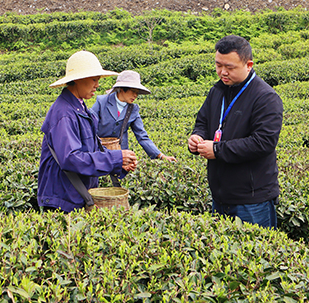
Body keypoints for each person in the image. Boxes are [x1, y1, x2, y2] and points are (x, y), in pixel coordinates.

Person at [188, 35, 283, 228]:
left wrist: (217, 150)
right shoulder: (217, 91)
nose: (222, 72)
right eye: (218, 65)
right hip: (220, 195)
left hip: (252, 199)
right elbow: (203, 121)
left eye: (229, 68)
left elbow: (263, 142)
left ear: (248, 65)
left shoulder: (266, 97)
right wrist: (197, 137)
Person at [38, 50, 138, 212]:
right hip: (62, 200)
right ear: (78, 80)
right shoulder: (64, 113)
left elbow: (91, 151)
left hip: (75, 196)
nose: (97, 85)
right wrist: (115, 159)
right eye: (94, 79)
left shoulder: (81, 109)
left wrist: (119, 164)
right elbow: (71, 159)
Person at [91, 70, 176, 162]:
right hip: (99, 152)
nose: (135, 95)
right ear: (122, 89)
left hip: (121, 154)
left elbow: (142, 136)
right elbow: (89, 126)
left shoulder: (133, 109)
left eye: (137, 92)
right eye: (133, 91)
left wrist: (161, 156)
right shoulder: (101, 102)